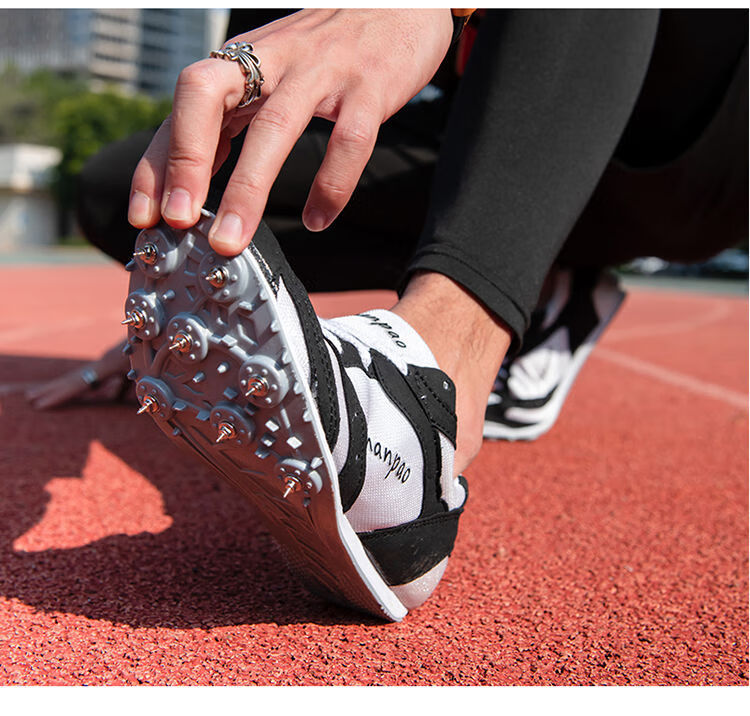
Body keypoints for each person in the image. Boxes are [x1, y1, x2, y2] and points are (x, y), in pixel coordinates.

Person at [29, 9, 748, 618]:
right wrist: (186, 315)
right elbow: (256, 86)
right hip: (498, 153)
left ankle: (434, 388)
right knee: (132, 187)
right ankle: (552, 286)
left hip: (689, 144)